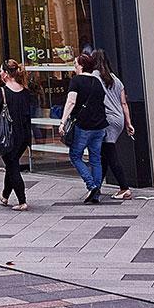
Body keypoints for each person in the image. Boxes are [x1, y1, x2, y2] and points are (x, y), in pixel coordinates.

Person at [60, 49, 109, 205]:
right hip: (100, 125)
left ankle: (91, 185)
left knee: (75, 155)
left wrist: (63, 121)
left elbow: (71, 101)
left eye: (75, 64)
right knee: (95, 158)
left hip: (83, 125)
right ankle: (96, 192)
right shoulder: (97, 82)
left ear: (81, 65)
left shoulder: (76, 81)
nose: (74, 67)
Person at [0, 60, 34, 210]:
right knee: (11, 164)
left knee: (12, 166)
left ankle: (22, 201)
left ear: (7, 74)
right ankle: (5, 195)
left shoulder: (1, 92)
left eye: (2, 71)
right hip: (23, 135)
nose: (0, 73)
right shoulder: (26, 91)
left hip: (7, 136)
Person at [92, 48, 134, 202]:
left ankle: (124, 188)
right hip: (118, 119)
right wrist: (128, 123)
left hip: (107, 119)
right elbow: (124, 103)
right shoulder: (115, 79)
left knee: (110, 153)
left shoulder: (94, 77)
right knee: (104, 154)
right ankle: (96, 187)